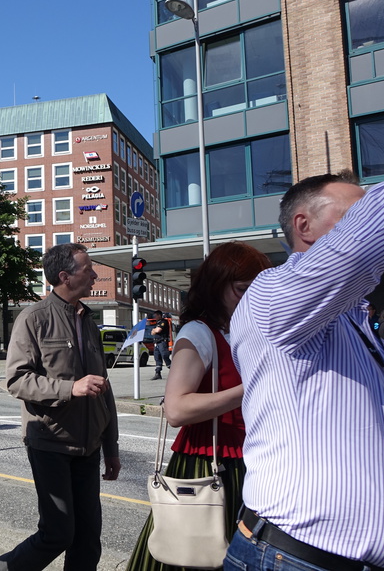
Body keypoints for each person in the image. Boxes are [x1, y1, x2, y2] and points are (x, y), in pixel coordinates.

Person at [228, 172, 384, 570]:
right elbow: (361, 246)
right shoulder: (271, 292)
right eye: (355, 215)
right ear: (303, 226)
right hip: (295, 558)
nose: (366, 223)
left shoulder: (358, 323)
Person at [125, 242, 272, 571]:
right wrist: (250, 389)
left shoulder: (244, 330)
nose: (251, 298)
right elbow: (177, 409)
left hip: (250, 460)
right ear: (216, 286)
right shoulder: (199, 332)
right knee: (194, 555)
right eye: (242, 289)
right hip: (210, 463)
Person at [0, 243, 120, 571]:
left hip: (88, 448)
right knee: (58, 533)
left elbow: (104, 388)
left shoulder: (88, 321)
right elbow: (17, 380)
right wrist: (70, 388)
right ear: (65, 276)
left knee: (88, 540)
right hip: (51, 443)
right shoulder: (34, 318)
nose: (94, 275)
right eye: (88, 269)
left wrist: (111, 448)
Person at [150, 310, 171, 380]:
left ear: (159, 315)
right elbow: (152, 332)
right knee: (157, 358)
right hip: (157, 343)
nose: (154, 317)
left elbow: (158, 330)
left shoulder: (163, 322)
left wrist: (154, 330)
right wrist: (154, 330)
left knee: (165, 356)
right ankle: (157, 373)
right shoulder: (157, 323)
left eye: (155, 315)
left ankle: (174, 370)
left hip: (162, 342)